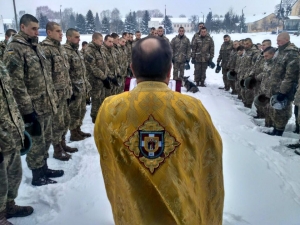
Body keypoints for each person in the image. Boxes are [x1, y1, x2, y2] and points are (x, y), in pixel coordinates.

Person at [94, 36, 224, 224]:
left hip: (134, 212)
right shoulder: (192, 108)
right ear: (170, 70)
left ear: (132, 68)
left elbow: (108, 158)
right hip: (181, 213)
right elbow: (210, 159)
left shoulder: (110, 108)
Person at [4, 14, 63, 186]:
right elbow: (16, 84)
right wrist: (27, 111)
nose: (37, 32)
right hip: (32, 107)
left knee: (45, 139)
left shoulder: (35, 47)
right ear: (22, 27)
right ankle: (37, 174)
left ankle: (44, 167)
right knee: (36, 142)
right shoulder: (15, 49)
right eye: (33, 28)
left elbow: (46, 76)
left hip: (46, 104)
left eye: (38, 28)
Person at [0, 61, 34, 224]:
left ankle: (8, 206)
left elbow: (9, 98)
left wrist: (20, 126)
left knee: (14, 175)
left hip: (10, 132)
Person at [40, 22, 77, 161]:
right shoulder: (45, 49)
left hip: (64, 93)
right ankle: (57, 150)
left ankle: (63, 144)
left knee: (65, 121)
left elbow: (65, 72)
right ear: (49, 32)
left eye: (61, 31)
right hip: (55, 95)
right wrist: (52, 96)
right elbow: (47, 76)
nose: (61, 34)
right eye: (57, 31)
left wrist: (69, 90)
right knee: (57, 124)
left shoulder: (59, 48)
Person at [265, 32, 299, 136]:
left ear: (286, 40)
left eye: (279, 40)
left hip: (284, 87)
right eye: (277, 40)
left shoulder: (292, 53)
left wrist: (283, 91)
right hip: (275, 85)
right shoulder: (279, 51)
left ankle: (279, 131)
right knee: (275, 109)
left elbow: (290, 75)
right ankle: (275, 128)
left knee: (282, 110)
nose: (277, 42)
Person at [64, 28, 92, 141]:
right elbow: (65, 74)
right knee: (74, 112)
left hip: (82, 87)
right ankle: (73, 133)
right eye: (76, 37)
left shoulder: (77, 51)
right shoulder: (66, 51)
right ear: (69, 37)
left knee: (81, 110)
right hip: (74, 89)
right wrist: (70, 90)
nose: (79, 39)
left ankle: (78, 130)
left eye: (79, 37)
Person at [84, 32, 109, 123]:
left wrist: (106, 76)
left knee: (101, 99)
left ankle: (100, 117)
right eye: (100, 41)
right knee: (96, 100)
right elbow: (93, 67)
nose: (102, 42)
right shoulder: (89, 51)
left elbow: (104, 64)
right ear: (94, 40)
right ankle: (95, 118)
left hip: (101, 80)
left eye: (102, 41)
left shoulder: (100, 49)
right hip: (94, 81)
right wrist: (104, 77)